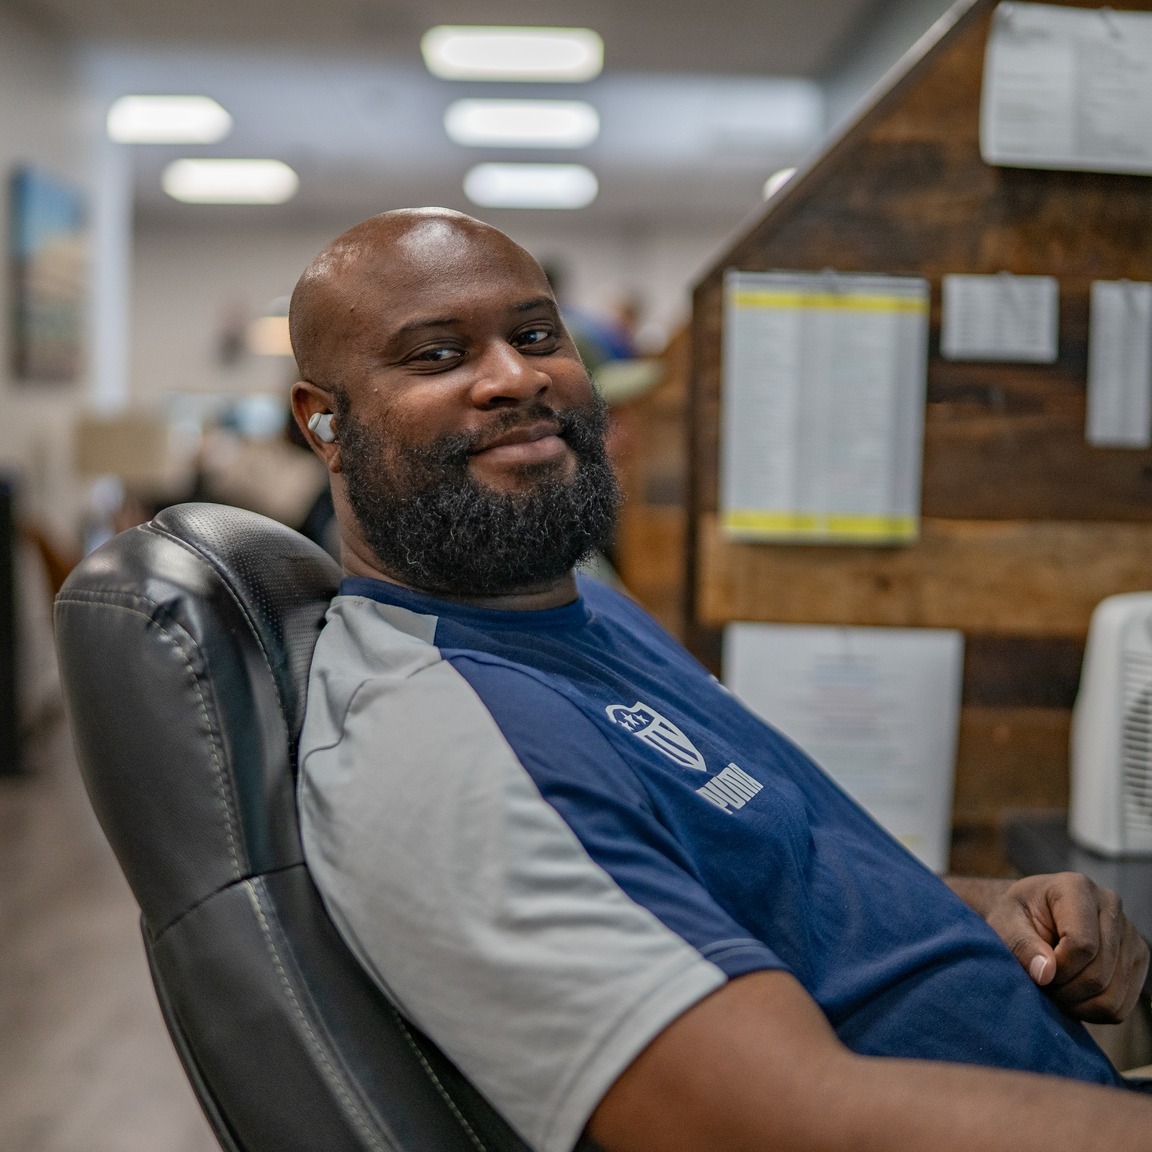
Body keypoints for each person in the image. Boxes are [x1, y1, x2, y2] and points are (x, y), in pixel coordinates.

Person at [289, 207, 1152, 1152]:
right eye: (436, 356)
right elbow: (765, 1123)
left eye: (536, 336)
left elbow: (772, 867)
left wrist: (986, 906)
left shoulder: (575, 610)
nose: (517, 377)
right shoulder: (450, 746)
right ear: (323, 422)